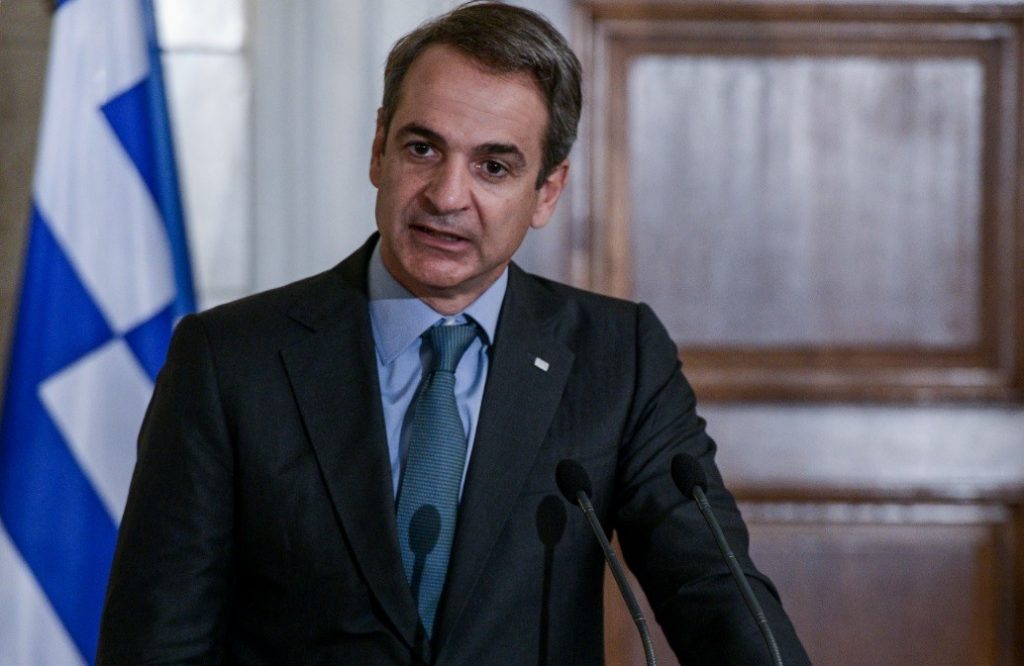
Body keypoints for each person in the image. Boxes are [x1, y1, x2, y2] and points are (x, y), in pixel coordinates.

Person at [98, 2, 811, 664]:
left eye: (493, 167)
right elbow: (157, 643)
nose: (446, 196)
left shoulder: (618, 358)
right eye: (422, 149)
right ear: (378, 149)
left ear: (547, 192)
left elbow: (713, 589)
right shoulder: (229, 360)